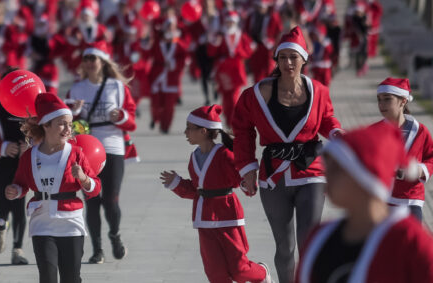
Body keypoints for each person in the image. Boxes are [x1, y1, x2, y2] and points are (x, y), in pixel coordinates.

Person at [231, 26, 343, 283]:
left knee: (308, 240)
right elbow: (242, 129)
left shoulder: (319, 91)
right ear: (276, 60)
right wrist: (247, 168)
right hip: (273, 175)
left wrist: (336, 132)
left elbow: (326, 119)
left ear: (304, 59)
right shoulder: (256, 95)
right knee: (285, 247)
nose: (288, 62)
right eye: (283, 57)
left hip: (311, 171)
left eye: (294, 57)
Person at [295, 121, 433, 283]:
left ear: (363, 178)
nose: (326, 175)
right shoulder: (320, 237)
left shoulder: (408, 239)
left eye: (337, 169)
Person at [159, 105, 270, 283]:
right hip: (204, 218)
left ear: (203, 131)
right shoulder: (193, 157)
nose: (185, 132)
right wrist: (177, 184)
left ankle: (262, 273)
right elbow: (197, 190)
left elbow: (242, 180)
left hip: (227, 215)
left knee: (239, 270)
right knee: (215, 273)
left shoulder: (225, 155)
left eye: (189, 128)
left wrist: (247, 183)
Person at [4, 92, 101, 283]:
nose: (67, 129)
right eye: (62, 123)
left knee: (71, 278)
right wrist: (14, 190)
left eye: (69, 124)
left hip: (70, 223)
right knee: (47, 277)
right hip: (42, 222)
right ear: (46, 125)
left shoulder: (76, 153)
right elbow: (21, 184)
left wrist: (83, 178)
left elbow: (95, 188)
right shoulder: (29, 156)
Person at [64, 43, 137, 264]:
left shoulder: (116, 86)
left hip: (113, 145)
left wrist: (121, 116)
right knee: (92, 200)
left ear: (102, 61)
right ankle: (97, 249)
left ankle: (114, 234)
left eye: (92, 58)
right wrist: (73, 112)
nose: (88, 62)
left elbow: (132, 122)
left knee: (111, 200)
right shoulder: (76, 89)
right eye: (85, 58)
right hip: (86, 148)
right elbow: (64, 122)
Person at [0, 69, 30, 266]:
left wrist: (29, 146)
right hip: (1, 162)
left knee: (19, 205)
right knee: (2, 204)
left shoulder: (29, 109)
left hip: (22, 162)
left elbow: (40, 133)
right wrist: (3, 147)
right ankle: (1, 226)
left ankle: (17, 249)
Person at [376, 78, 433, 221]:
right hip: (381, 200)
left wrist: (419, 170)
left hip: (410, 200)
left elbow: (432, 159)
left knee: (410, 242)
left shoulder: (420, 131)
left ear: (403, 101)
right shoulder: (373, 131)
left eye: (387, 99)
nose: (381, 104)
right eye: (379, 99)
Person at [148, 18, 188, 133]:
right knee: (156, 103)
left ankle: (165, 126)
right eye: (168, 27)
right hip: (158, 78)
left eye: (172, 27)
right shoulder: (156, 43)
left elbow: (183, 59)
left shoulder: (180, 45)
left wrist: (174, 64)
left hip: (172, 79)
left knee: (169, 106)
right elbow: (148, 53)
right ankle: (155, 118)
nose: (170, 29)